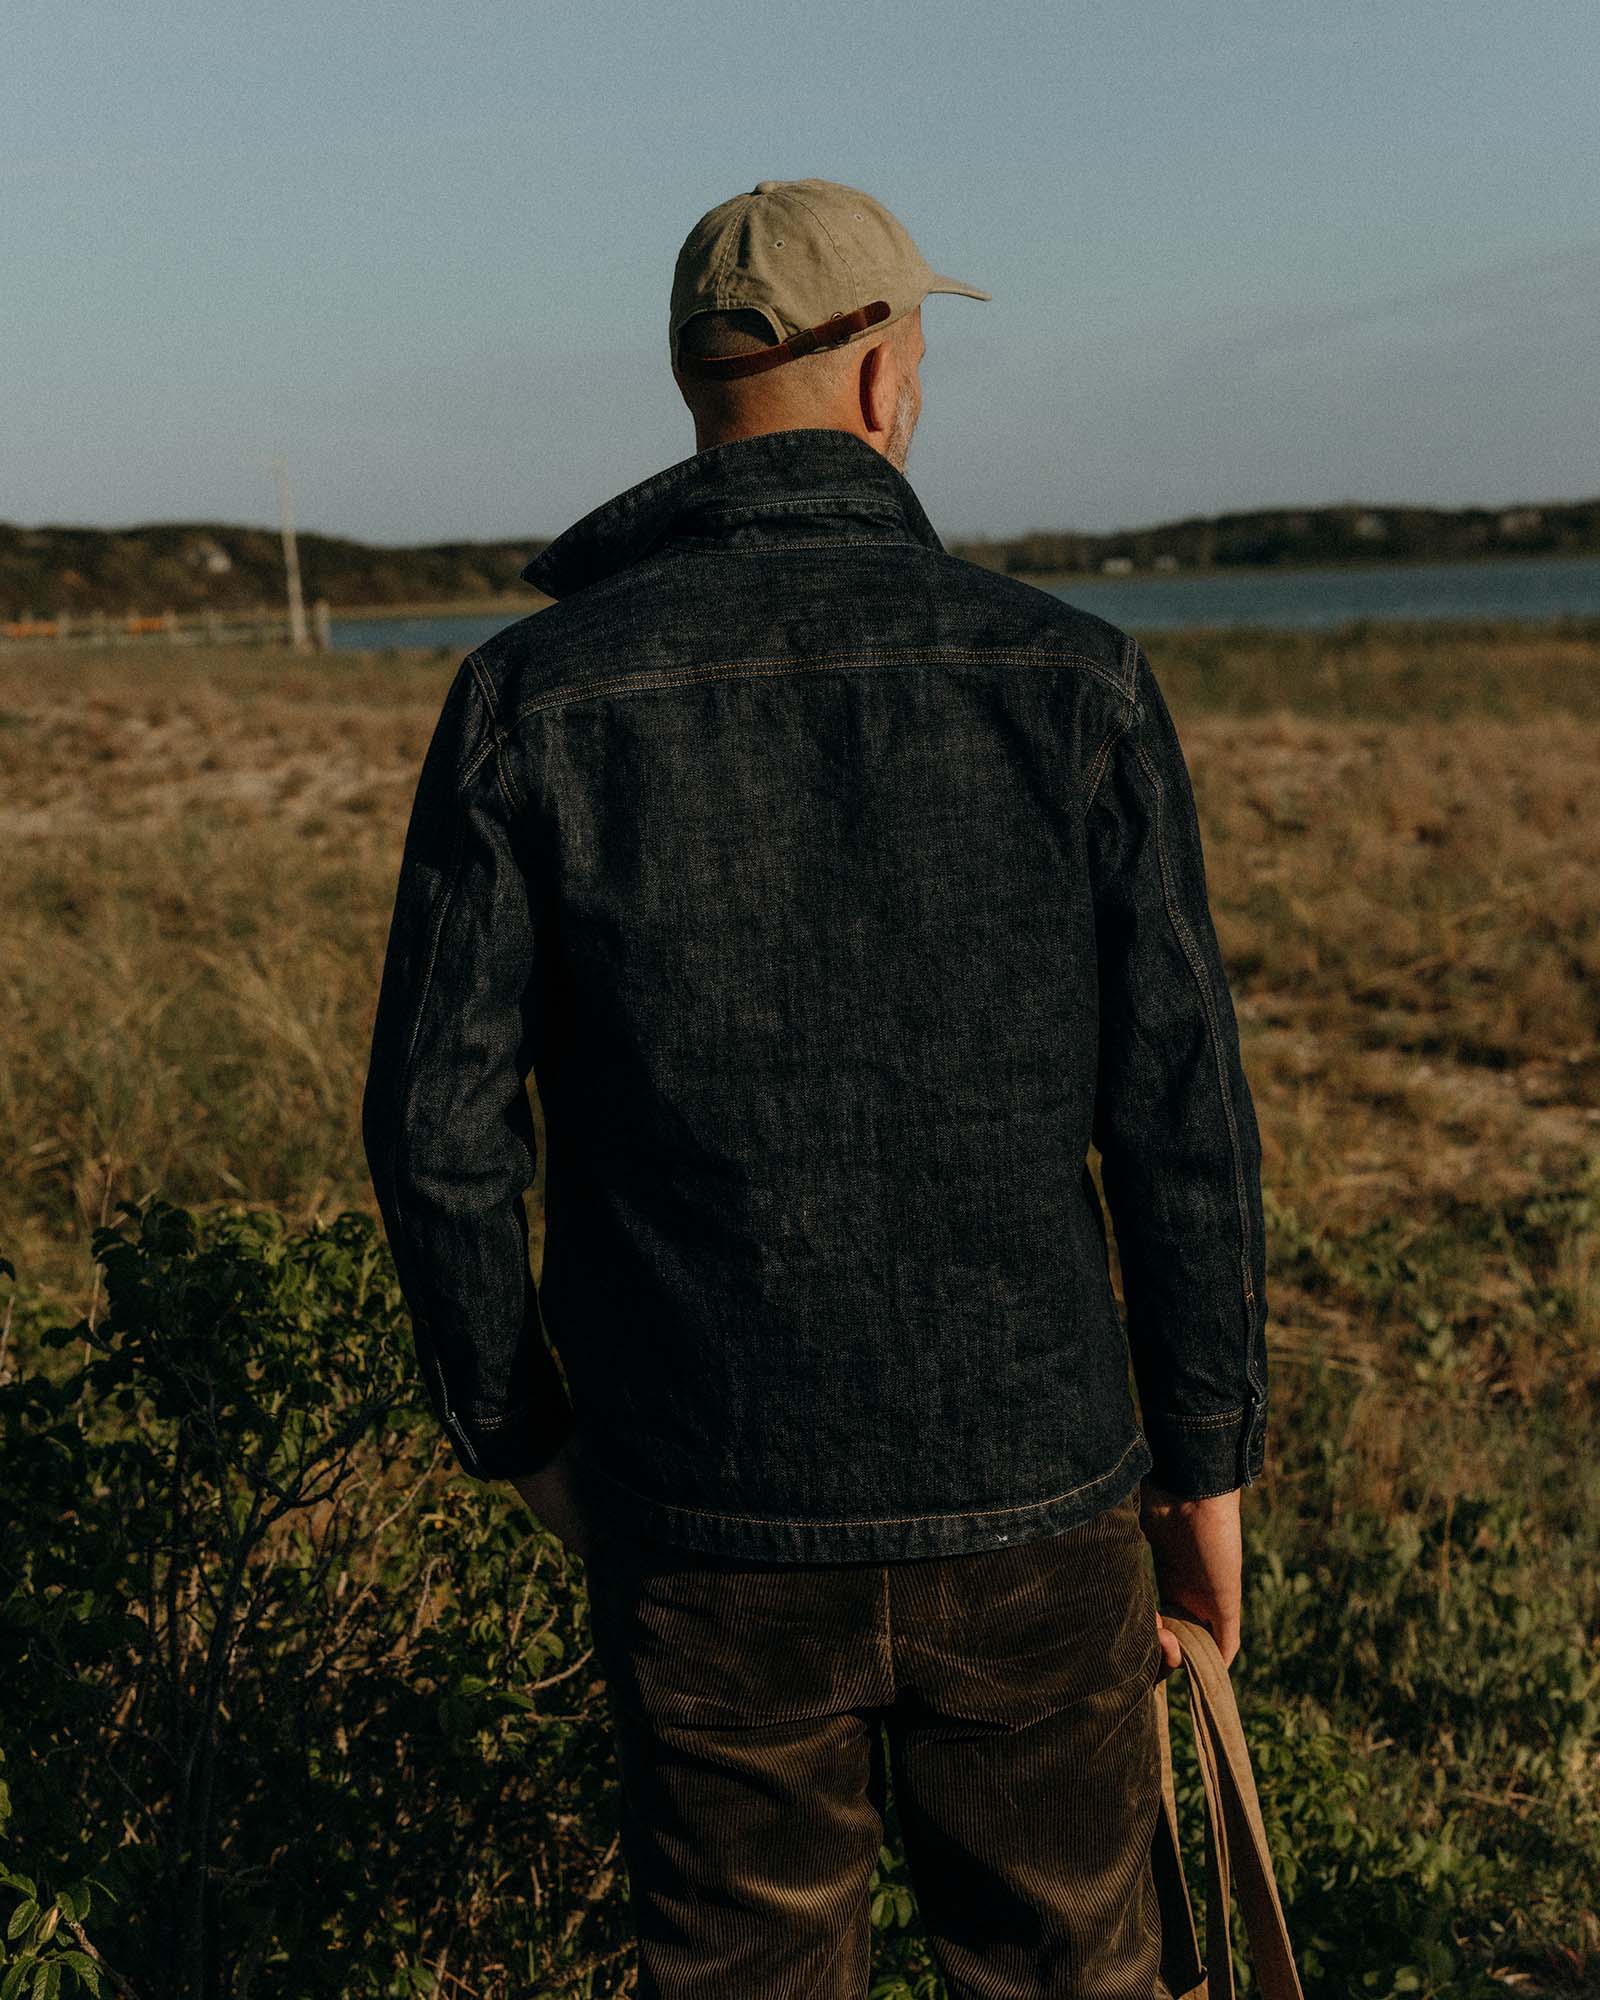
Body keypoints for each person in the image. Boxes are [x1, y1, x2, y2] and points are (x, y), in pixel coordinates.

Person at [362, 177, 1269, 1998]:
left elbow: (436, 1133)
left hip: (697, 1500)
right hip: (1036, 1496)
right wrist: (1206, 1474)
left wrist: (521, 1432)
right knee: (1078, 1972)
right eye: (916, 340)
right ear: (877, 382)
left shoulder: (523, 697)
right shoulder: (1072, 677)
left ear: (702, 388)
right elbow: (1181, 1123)